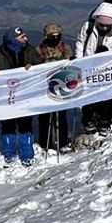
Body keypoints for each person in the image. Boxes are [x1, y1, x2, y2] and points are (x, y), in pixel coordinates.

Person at [0, 26, 42, 166]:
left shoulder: (30, 51)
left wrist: (33, 65)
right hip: (6, 97)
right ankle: (9, 152)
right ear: (13, 39)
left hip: (25, 96)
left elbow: (40, 64)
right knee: (8, 124)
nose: (26, 39)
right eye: (22, 37)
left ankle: (27, 153)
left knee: (25, 124)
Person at [76, 1, 112, 133]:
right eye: (101, 25)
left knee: (106, 96)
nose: (104, 28)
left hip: (107, 69)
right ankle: (88, 120)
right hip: (89, 66)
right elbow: (81, 42)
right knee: (89, 94)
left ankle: (104, 120)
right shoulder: (88, 27)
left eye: (107, 26)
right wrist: (78, 62)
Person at [36, 23, 74, 152]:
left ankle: (63, 141)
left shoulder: (65, 49)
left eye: (58, 35)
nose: (56, 38)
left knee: (61, 116)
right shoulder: (39, 51)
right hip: (44, 89)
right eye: (53, 36)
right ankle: (44, 144)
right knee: (45, 118)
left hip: (61, 87)